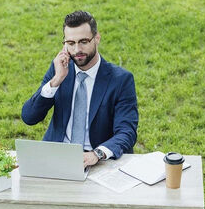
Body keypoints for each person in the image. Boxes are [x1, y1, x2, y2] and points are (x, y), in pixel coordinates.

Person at [21, 11, 138, 168]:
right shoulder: (59, 69)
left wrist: (97, 154)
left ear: (97, 38)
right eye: (70, 43)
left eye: (83, 41)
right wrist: (56, 81)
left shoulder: (121, 80)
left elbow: (127, 132)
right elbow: (29, 117)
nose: (77, 50)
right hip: (57, 155)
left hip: (98, 159)